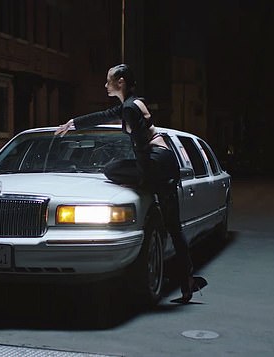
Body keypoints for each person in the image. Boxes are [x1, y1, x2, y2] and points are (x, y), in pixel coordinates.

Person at [55, 64, 202, 303]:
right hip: (166, 161)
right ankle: (187, 281)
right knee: (173, 227)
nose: (105, 85)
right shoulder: (134, 103)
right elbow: (103, 116)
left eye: (108, 80)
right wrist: (73, 123)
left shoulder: (130, 109)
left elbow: (140, 147)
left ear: (120, 82)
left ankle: (184, 280)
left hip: (155, 161)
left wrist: (143, 180)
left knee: (111, 169)